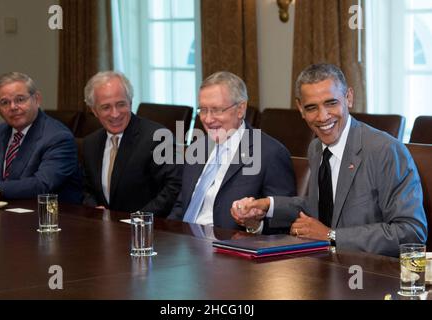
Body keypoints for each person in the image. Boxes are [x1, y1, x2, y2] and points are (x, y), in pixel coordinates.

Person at [231, 63, 427, 256]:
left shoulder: (385, 150)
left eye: (331, 103)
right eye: (311, 108)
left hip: (372, 276)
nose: (322, 116)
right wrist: (266, 207)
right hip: (325, 267)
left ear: (348, 97)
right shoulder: (316, 148)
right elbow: (326, 207)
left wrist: (331, 236)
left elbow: (411, 232)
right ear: (300, 108)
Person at [168, 71, 296, 233]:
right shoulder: (197, 148)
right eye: (203, 110)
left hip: (228, 249)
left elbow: (284, 221)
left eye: (216, 110)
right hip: (183, 244)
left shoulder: (270, 153)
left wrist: (254, 224)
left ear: (240, 109)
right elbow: (182, 205)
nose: (207, 119)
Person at [82, 71, 181, 216]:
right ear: (94, 111)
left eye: (121, 104)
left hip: (148, 229)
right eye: (106, 107)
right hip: (103, 230)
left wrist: (139, 218)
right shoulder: (90, 143)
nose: (115, 114)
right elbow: (86, 188)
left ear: (130, 102)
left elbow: (173, 187)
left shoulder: (158, 137)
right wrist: (93, 209)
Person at [0, 72, 82, 203]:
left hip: (49, 218)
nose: (13, 107)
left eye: (20, 99)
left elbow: (42, 185)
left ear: (37, 99)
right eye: (5, 102)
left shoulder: (58, 137)